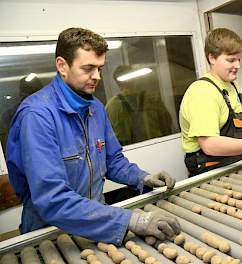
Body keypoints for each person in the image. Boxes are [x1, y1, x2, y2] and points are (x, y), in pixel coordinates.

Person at [6, 27, 181, 245]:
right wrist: (134, 220)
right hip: (50, 233)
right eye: (88, 68)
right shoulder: (37, 116)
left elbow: (112, 160)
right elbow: (53, 199)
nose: (96, 76)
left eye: (100, 68)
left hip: (98, 222)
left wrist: (142, 177)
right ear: (62, 65)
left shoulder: (95, 107)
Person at [179, 28, 242, 176]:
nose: (237, 65)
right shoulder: (203, 93)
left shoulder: (232, 85)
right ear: (212, 58)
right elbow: (210, 145)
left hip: (235, 163)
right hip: (211, 170)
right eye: (231, 60)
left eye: (238, 59)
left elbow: (224, 127)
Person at [106, 64, 172, 146]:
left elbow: (107, 137)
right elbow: (167, 124)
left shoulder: (111, 106)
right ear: (135, 79)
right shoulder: (152, 98)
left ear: (117, 83)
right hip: (156, 145)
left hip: (127, 151)